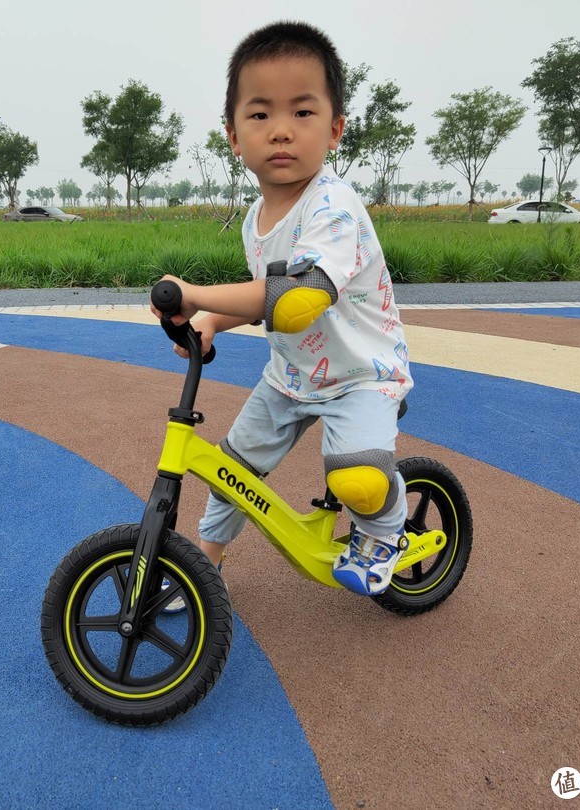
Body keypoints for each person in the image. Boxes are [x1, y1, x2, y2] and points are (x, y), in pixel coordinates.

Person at [151, 20, 412, 600]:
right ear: (233, 136)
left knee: (359, 482)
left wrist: (194, 294)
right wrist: (214, 320)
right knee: (231, 472)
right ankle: (204, 562)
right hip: (291, 377)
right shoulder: (255, 220)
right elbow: (260, 295)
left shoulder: (334, 209)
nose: (281, 132)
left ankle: (385, 530)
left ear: (335, 128)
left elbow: (293, 303)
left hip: (361, 377)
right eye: (261, 114)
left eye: (302, 112)